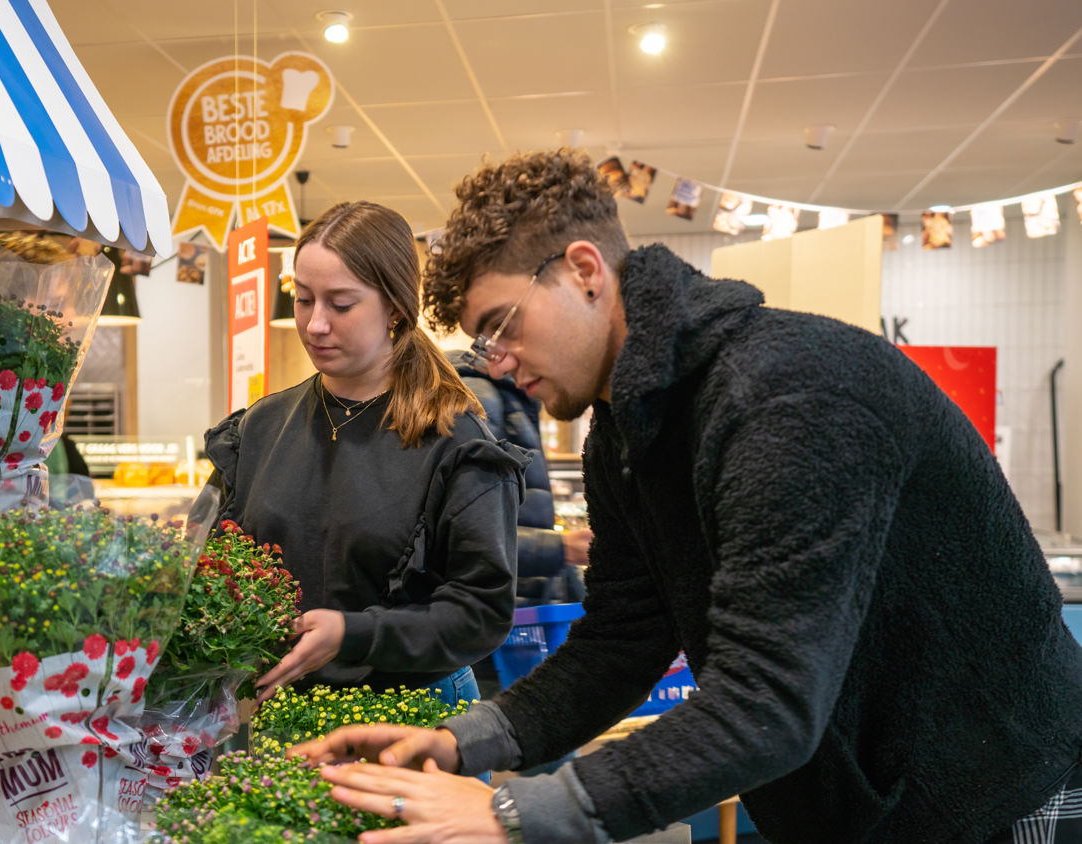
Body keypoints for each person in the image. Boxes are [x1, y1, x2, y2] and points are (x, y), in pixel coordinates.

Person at [290, 149, 1082, 844]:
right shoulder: (625, 433)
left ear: (584, 271)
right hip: (856, 807)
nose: (495, 362)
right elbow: (622, 643)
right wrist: (466, 743)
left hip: (1002, 793)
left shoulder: (789, 394)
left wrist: (511, 815)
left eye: (502, 325)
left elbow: (766, 700)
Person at [204, 200, 526, 708]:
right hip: (277, 713)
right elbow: (214, 565)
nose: (314, 324)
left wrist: (352, 634)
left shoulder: (457, 442)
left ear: (395, 306)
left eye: (341, 303)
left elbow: (480, 615)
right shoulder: (261, 427)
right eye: (304, 299)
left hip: (416, 720)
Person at [446, 349, 590, 608]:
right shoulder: (478, 399)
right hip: (496, 621)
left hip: (520, 611)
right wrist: (562, 549)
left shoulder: (515, 399)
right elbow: (463, 534)